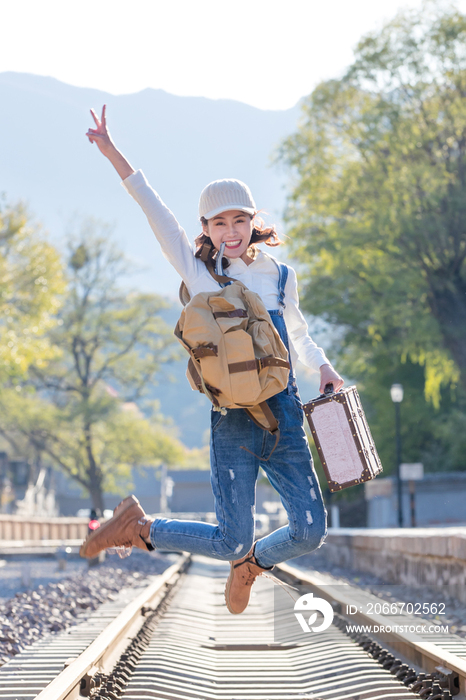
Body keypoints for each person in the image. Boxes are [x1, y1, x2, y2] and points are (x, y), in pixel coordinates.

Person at [80, 105, 344, 615]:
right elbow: (151, 207)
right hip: (232, 421)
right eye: (219, 222)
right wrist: (113, 152)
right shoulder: (199, 273)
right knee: (228, 538)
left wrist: (325, 367)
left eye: (239, 219)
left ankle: (253, 565)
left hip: (284, 413)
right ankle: (138, 528)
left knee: (310, 531)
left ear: (253, 221)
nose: (230, 229)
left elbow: (301, 336)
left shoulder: (280, 276)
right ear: (205, 226)